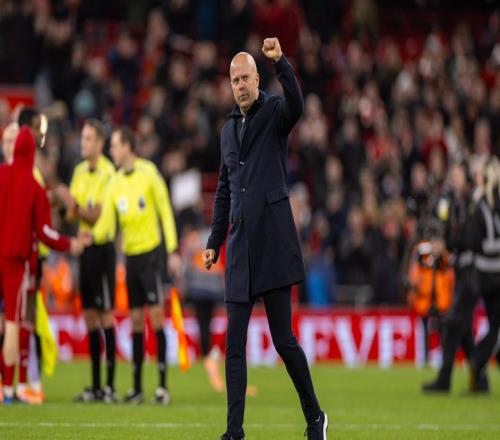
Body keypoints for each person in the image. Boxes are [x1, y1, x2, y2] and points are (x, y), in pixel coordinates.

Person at [202, 38, 327, 440]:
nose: (240, 85)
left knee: (283, 341)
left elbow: (298, 106)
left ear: (257, 79)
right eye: (234, 80)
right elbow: (224, 190)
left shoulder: (273, 112)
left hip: (272, 243)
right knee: (233, 347)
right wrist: (214, 241)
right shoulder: (227, 130)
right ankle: (234, 432)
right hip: (240, 248)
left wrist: (281, 63)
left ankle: (315, 417)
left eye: (246, 78)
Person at [92, 127, 182, 404]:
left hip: (151, 255)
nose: (111, 151)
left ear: (128, 146)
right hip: (130, 258)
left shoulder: (149, 173)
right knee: (135, 320)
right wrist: (88, 238)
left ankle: (162, 386)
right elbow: (106, 223)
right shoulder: (115, 181)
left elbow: (165, 210)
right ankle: (137, 387)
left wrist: (173, 249)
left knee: (156, 316)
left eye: (115, 146)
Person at [0, 126, 86, 404]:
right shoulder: (35, 188)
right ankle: (8, 387)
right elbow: (46, 233)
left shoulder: (1, 174)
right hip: (16, 262)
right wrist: (70, 244)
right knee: (13, 324)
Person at [65, 120, 117, 403]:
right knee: (89, 317)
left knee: (105, 315)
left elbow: (95, 215)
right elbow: (70, 215)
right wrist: (71, 207)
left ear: (99, 143)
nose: (82, 143)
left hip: (102, 250)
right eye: (82, 138)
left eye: (87, 139)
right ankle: (96, 386)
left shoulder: (108, 172)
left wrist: (72, 204)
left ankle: (109, 386)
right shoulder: (79, 171)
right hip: (84, 251)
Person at [422, 161, 486, 392]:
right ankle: (480, 379)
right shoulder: (455, 202)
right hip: (463, 271)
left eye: (458, 175)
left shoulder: (473, 203)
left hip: (474, 272)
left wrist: (446, 243)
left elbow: (469, 238)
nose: (454, 180)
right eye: (453, 175)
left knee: (453, 321)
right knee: (462, 327)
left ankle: (445, 379)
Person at [469, 157, 500, 392]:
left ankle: (479, 373)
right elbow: (483, 243)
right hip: (494, 276)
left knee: (494, 325)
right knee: (495, 328)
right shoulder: (489, 204)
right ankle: (477, 362)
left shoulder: (480, 203)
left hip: (483, 276)